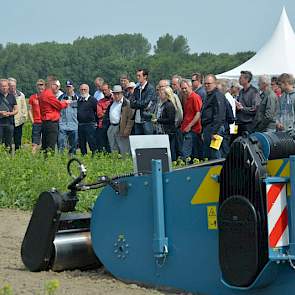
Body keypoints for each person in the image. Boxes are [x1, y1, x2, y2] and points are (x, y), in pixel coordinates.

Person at [39, 78, 70, 152]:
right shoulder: (49, 95)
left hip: (45, 122)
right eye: (56, 85)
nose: (57, 88)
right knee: (51, 145)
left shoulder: (42, 94)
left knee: (45, 145)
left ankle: (45, 160)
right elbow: (59, 105)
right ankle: (49, 161)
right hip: (51, 123)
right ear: (52, 85)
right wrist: (66, 102)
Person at [202, 74, 226, 160]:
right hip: (209, 128)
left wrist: (214, 132)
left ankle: (219, 172)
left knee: (215, 154)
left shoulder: (217, 95)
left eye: (209, 83)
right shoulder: (209, 95)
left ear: (215, 83)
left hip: (215, 129)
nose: (206, 85)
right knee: (210, 155)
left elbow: (219, 115)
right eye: (205, 83)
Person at [106, 85, 134, 155]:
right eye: (115, 94)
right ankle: (115, 163)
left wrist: (127, 130)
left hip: (121, 127)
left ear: (122, 93)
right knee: (113, 147)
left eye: (118, 93)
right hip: (112, 126)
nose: (116, 95)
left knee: (124, 148)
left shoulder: (127, 103)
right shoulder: (112, 103)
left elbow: (130, 118)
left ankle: (125, 163)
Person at [152, 86, 177, 161]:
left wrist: (158, 120)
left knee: (170, 149)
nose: (159, 94)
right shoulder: (164, 104)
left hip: (168, 131)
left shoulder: (169, 105)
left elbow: (170, 119)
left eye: (161, 93)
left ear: (166, 95)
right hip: (163, 131)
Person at [180, 79, 202, 160]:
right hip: (187, 129)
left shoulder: (195, 97)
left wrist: (189, 126)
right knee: (191, 154)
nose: (184, 90)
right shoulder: (187, 98)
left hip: (192, 129)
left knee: (186, 153)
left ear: (190, 87)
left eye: (185, 88)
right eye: (182, 88)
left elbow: (198, 113)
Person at [130, 68, 156, 135]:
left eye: (139, 76)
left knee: (148, 142)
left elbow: (145, 103)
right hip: (137, 119)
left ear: (145, 76)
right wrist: (137, 103)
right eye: (137, 76)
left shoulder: (150, 88)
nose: (137, 77)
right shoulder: (136, 89)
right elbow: (131, 103)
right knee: (138, 143)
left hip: (146, 119)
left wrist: (136, 102)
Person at [236, 71, 260, 135]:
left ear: (247, 79)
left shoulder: (254, 92)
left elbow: (255, 108)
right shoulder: (241, 91)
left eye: (241, 78)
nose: (239, 79)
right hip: (239, 123)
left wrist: (242, 108)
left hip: (249, 124)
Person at [58, 80, 79, 155]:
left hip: (74, 124)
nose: (68, 89)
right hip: (63, 124)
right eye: (67, 87)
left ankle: (72, 157)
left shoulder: (78, 98)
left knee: (74, 144)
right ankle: (61, 158)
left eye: (69, 87)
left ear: (73, 87)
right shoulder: (61, 97)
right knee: (61, 142)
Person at [77, 84, 98, 155]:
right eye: (81, 89)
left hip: (90, 124)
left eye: (84, 89)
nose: (83, 91)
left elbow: (97, 111)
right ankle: (84, 156)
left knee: (92, 142)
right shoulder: (79, 100)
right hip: (80, 124)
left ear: (88, 90)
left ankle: (94, 156)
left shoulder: (93, 100)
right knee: (82, 143)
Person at [8, 77, 28, 150]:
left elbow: (24, 108)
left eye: (14, 85)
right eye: (11, 85)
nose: (12, 87)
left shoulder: (21, 95)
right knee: (8, 139)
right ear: (8, 85)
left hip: (18, 121)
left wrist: (24, 118)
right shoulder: (5, 95)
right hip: (8, 120)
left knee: (17, 140)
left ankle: (17, 154)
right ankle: (8, 154)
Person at [0, 79, 18, 151]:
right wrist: (1, 113)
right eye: (2, 86)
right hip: (0, 123)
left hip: (9, 123)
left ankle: (9, 158)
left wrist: (9, 113)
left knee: (9, 142)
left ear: (8, 87)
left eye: (5, 86)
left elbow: (16, 110)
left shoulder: (12, 96)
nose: (4, 88)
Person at [28, 79, 45, 153]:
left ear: (44, 86)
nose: (40, 87)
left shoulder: (48, 97)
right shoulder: (32, 97)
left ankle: (44, 157)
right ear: (36, 86)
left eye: (42, 85)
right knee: (35, 143)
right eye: (39, 85)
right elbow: (29, 110)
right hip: (37, 122)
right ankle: (32, 159)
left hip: (46, 122)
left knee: (45, 142)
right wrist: (32, 121)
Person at [96, 83, 112, 152]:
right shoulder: (100, 101)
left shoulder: (113, 100)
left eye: (105, 90)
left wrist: (104, 110)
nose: (104, 92)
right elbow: (99, 114)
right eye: (103, 90)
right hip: (102, 124)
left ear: (109, 90)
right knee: (102, 143)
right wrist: (108, 112)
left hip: (112, 123)